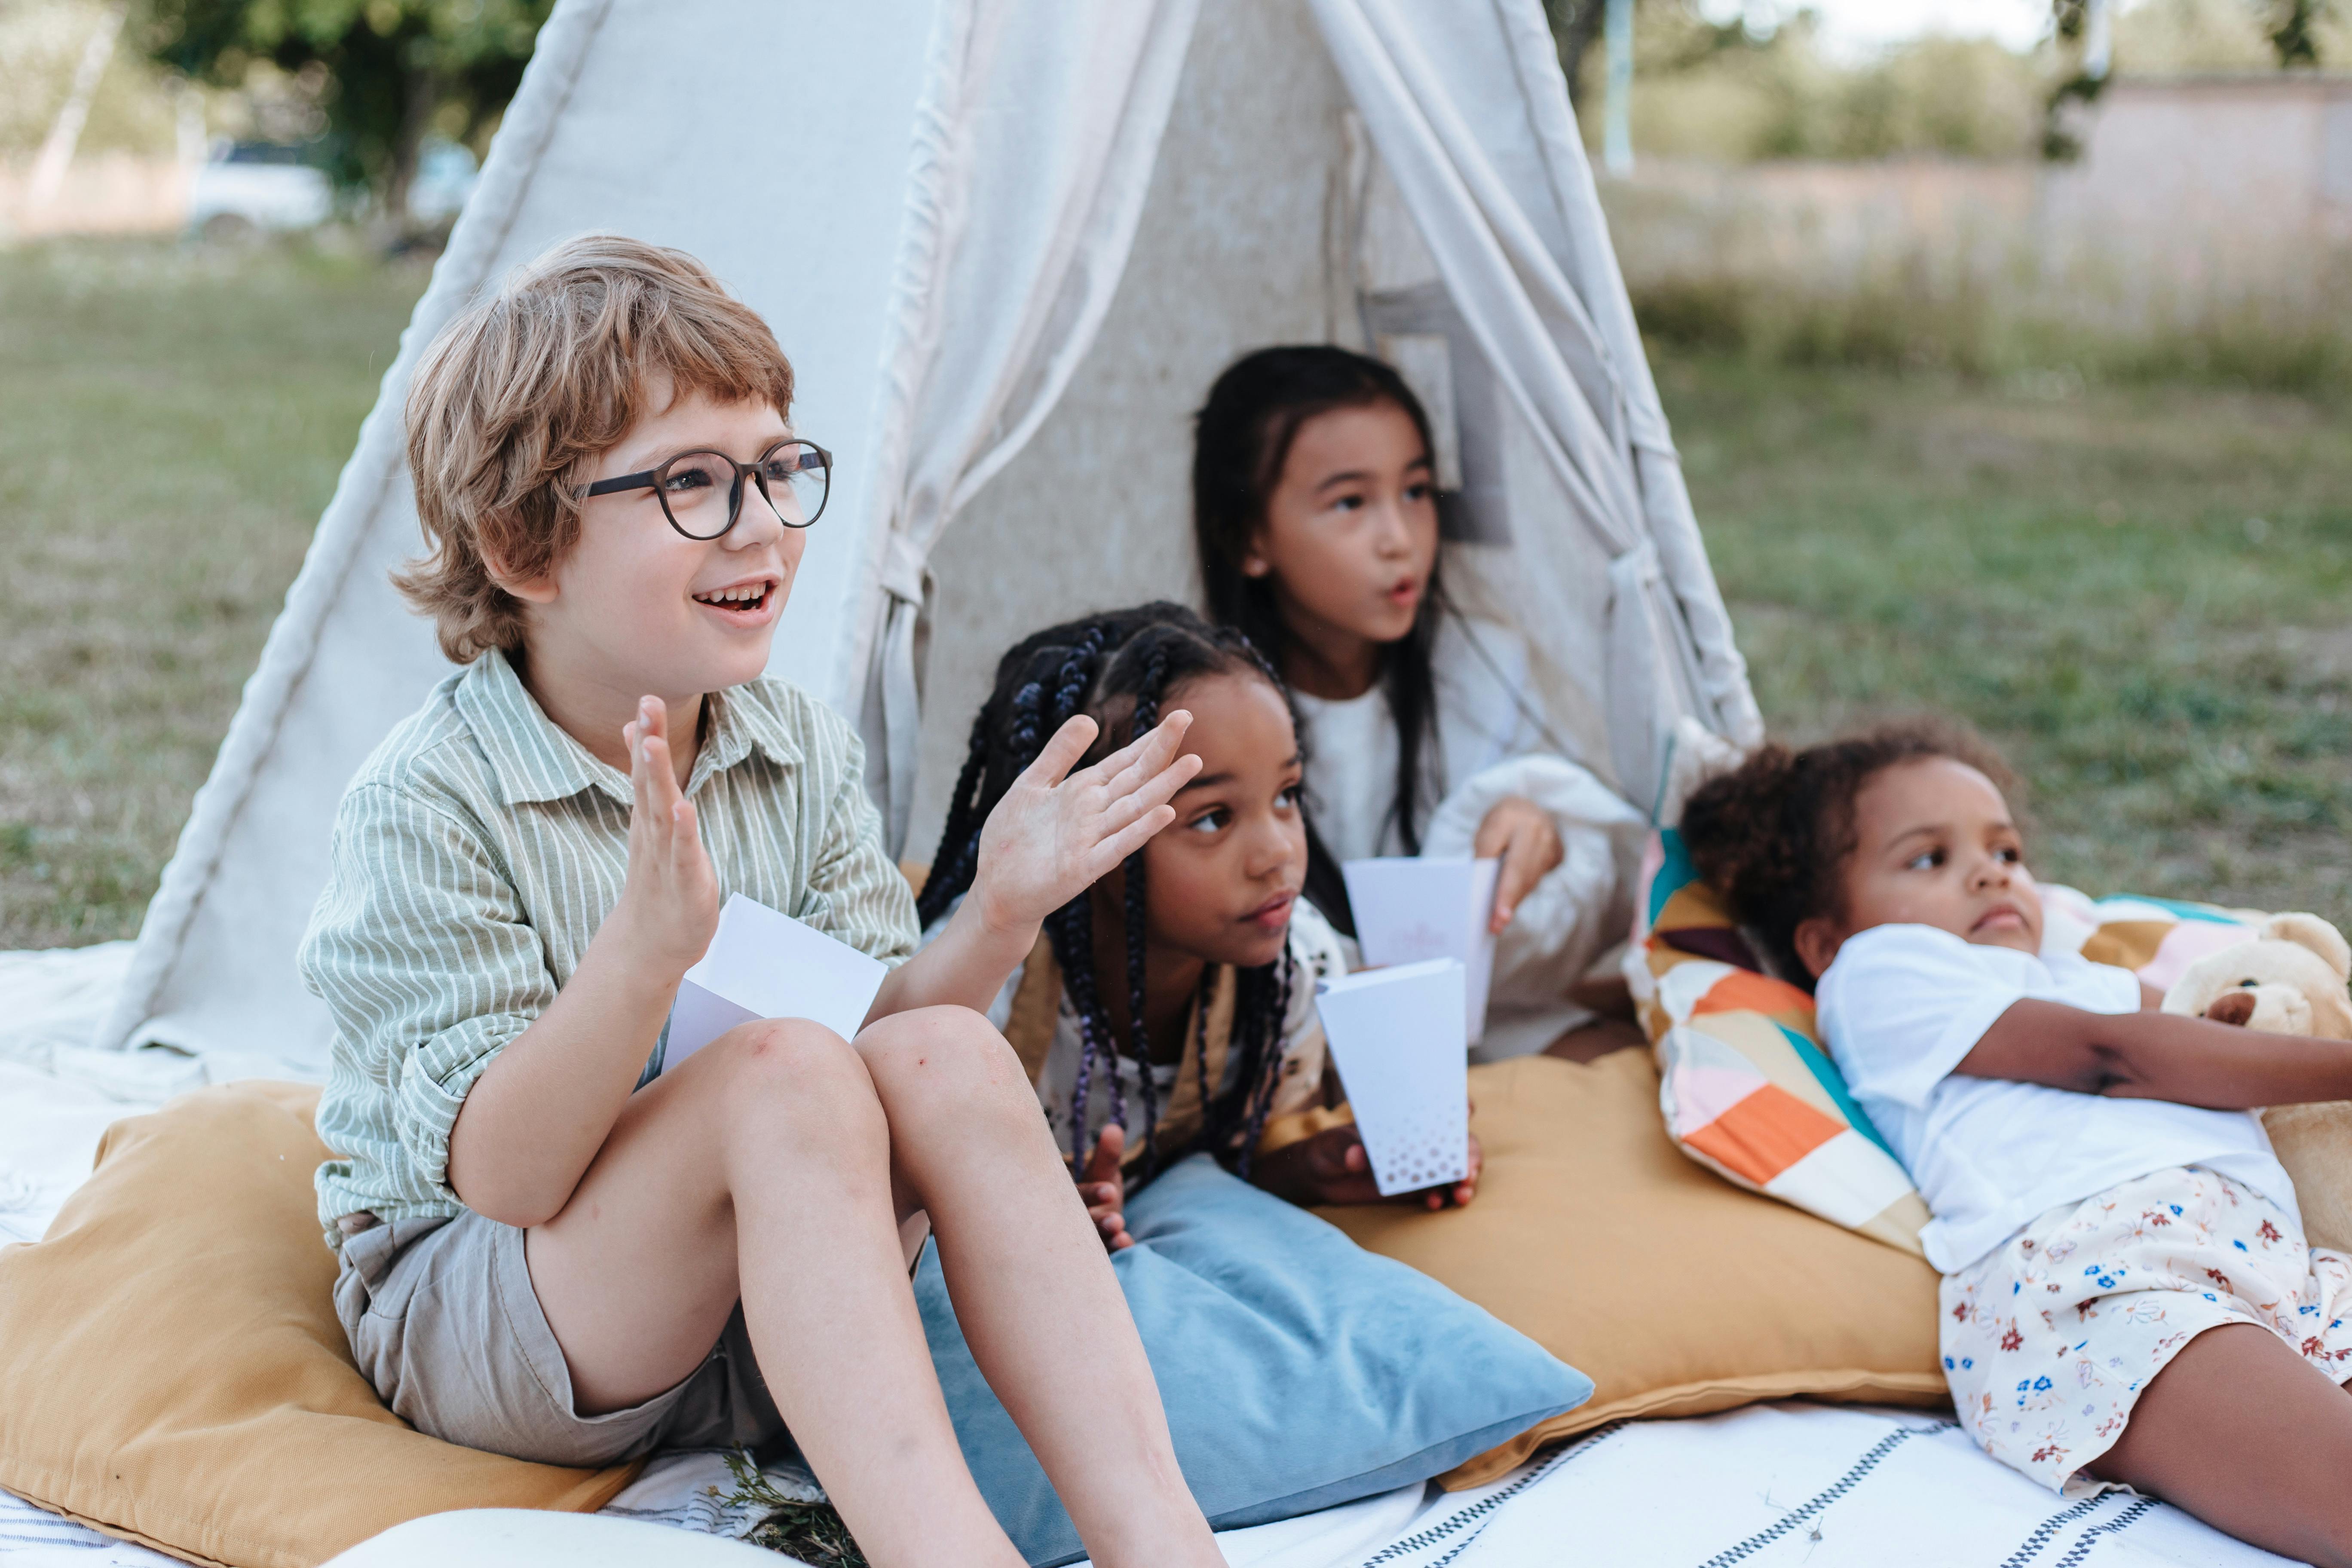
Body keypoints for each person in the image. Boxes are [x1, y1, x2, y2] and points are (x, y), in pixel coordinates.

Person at [301, 235, 1225, 1568]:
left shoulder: (787, 740)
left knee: (947, 1047)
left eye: (780, 472)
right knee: (780, 1070)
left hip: (759, 1300)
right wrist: (639, 965)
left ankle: (1164, 1544)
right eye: (691, 485)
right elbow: (503, 1179)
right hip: (495, 1318)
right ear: (523, 547)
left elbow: (886, 1031)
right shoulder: (430, 798)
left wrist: (1000, 912)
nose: (763, 525)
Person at [1680, 722, 2352, 1567]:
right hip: (2102, 1277)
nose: (1991, 871)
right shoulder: (1883, 972)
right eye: (1930, 859)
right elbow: (2114, 1058)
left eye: (2007, 849)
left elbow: (2194, 1035)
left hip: (2277, 1258)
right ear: (1825, 939)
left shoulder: (2078, 973)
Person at [918, 603, 1482, 1246]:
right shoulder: (983, 986)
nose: (1279, 853)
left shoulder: (1297, 965)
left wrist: (1314, 1169)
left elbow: (1230, 1164)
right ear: (1080, 836)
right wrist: (1016, 1213)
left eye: (1288, 795)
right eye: (1213, 818)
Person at [1191, 344, 1645, 1061]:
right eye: (1350, 503)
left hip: (1482, 1018)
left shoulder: (1482, 669)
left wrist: (1542, 832)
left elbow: (1601, 886)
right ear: (1250, 538)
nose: (1400, 540)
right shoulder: (1208, 713)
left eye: (1417, 492)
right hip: (1290, 1041)